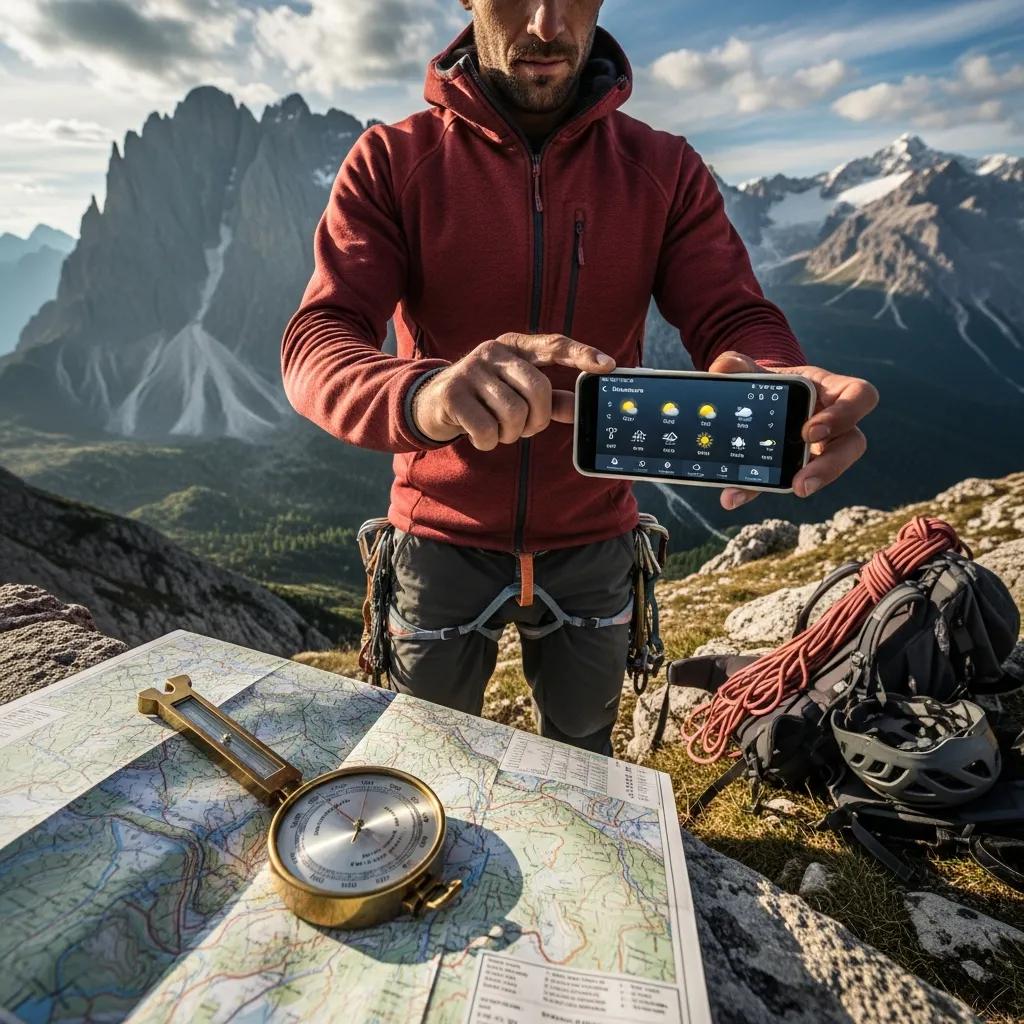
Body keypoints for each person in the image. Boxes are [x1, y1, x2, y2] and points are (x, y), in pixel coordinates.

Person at [280, 0, 879, 754]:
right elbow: (317, 341)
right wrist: (423, 393)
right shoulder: (392, 161)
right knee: (423, 760)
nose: (546, 26)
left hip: (596, 539)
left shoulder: (665, 169)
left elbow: (731, 315)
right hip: (437, 533)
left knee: (583, 753)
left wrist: (771, 372)